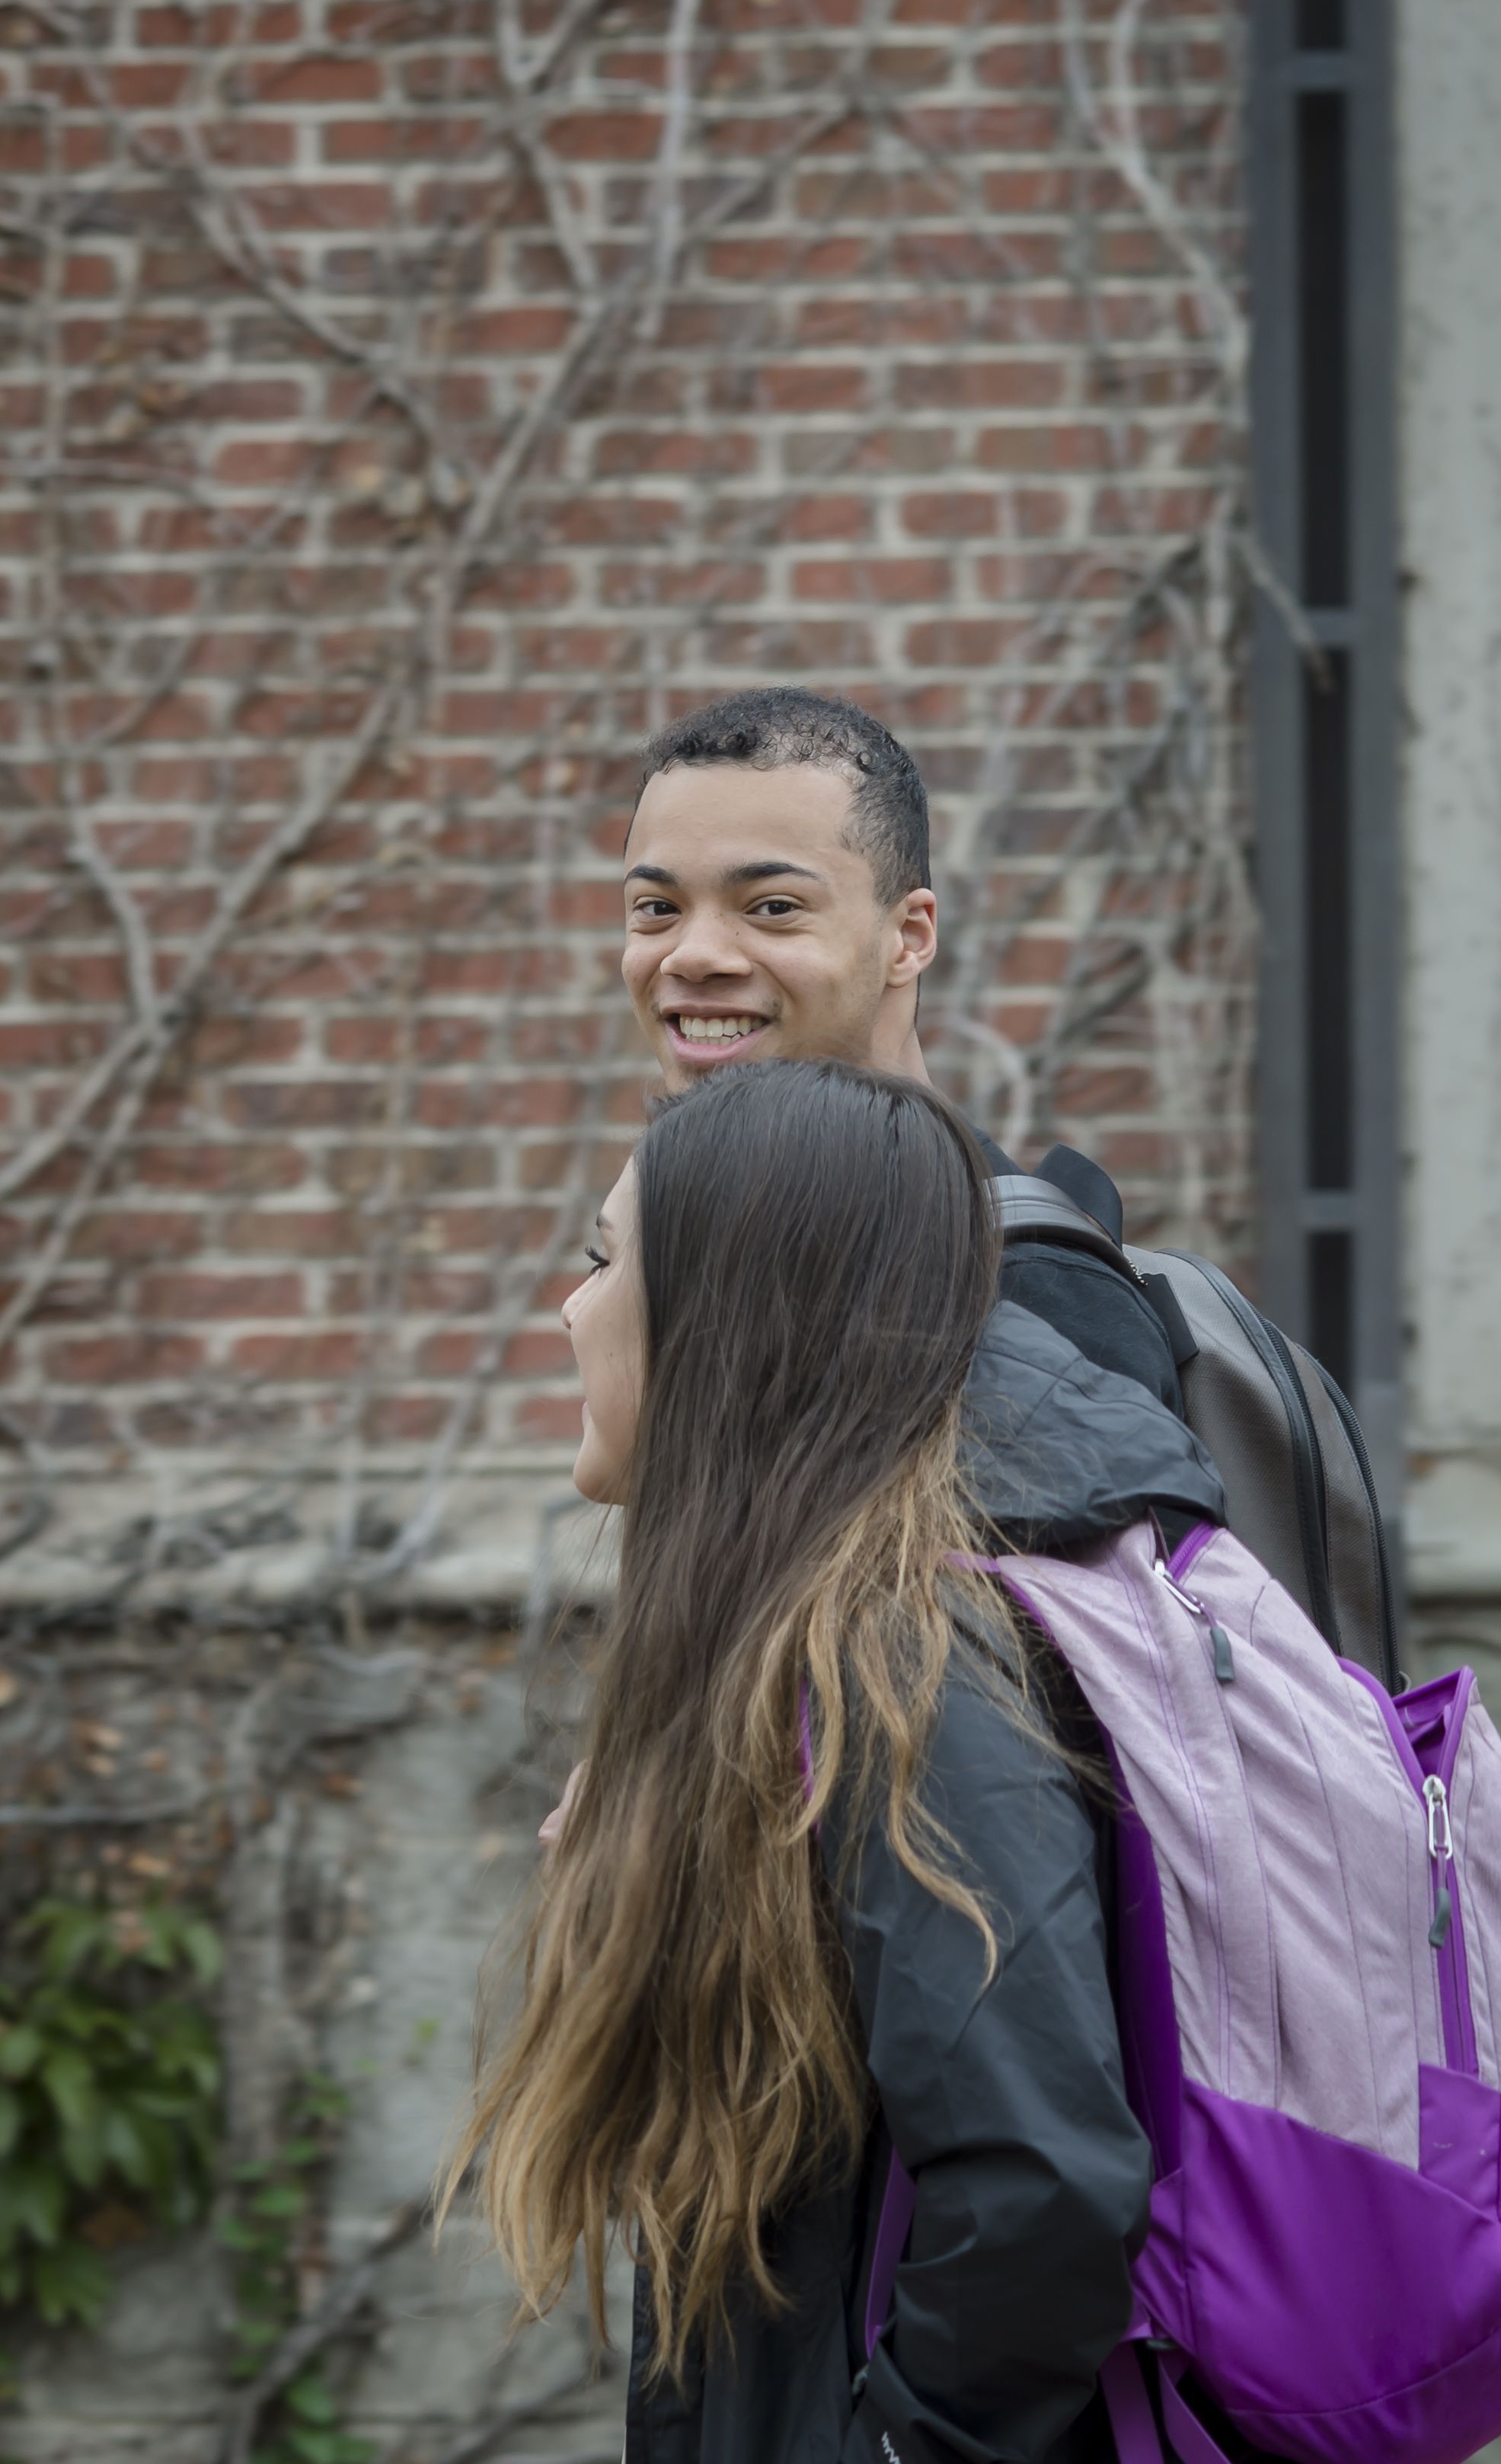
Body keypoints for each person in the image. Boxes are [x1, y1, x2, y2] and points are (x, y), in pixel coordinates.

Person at [446, 1060, 1167, 2463]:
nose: (571, 1306)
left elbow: (1046, 2188)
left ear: (726, 1315)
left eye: (603, 1261)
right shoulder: (803, 1647)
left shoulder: (899, 1665)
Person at [620, 686, 1192, 1416]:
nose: (693, 956)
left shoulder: (1032, 1295)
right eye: (658, 909)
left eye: (774, 907)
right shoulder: (706, 1253)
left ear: (910, 937)